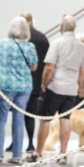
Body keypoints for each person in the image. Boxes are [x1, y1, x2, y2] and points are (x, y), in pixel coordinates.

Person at [29, 15, 84, 163]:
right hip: (71, 89)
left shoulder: (57, 43)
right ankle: (62, 154)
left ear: (61, 27)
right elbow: (83, 70)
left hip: (55, 87)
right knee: (65, 119)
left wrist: (44, 84)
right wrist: (77, 83)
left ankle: (38, 152)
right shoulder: (82, 47)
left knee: (45, 119)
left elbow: (49, 67)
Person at [0, 16, 38, 164]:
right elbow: (34, 67)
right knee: (19, 119)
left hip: (6, 85)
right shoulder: (30, 47)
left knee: (1, 118)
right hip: (24, 86)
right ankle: (17, 156)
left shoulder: (3, 44)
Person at [21, 13, 50, 152]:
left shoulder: (21, 38)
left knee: (18, 114)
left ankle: (15, 143)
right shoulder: (42, 38)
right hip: (37, 81)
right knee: (31, 114)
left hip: (21, 80)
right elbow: (47, 61)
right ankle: (31, 143)